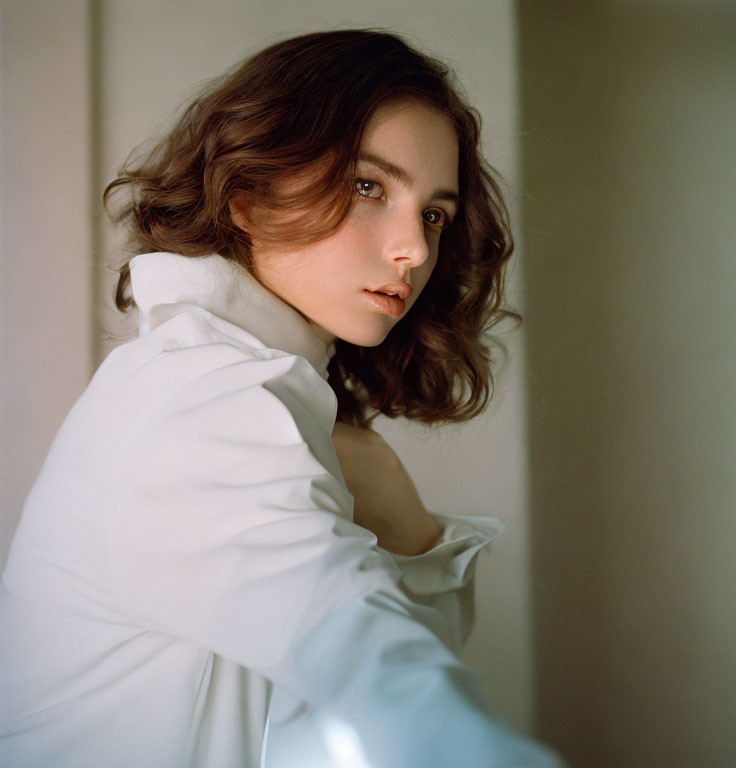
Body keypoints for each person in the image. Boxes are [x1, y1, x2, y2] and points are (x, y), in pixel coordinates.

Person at [0, 29, 562, 768]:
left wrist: (396, 507)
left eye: (434, 213)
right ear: (247, 194)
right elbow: (366, 659)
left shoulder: (262, 398)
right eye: (369, 186)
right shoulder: (196, 399)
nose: (416, 250)